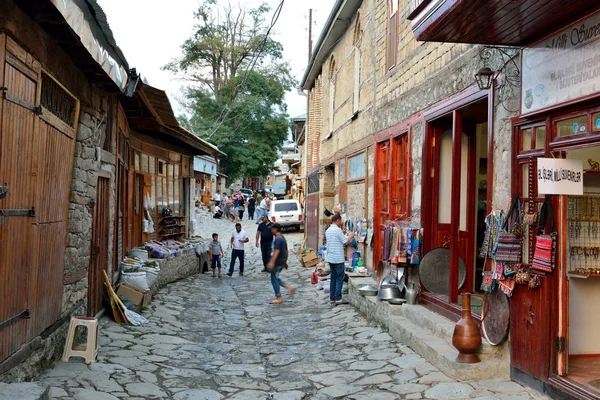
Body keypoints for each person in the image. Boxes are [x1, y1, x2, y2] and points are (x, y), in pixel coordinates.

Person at [325, 214, 355, 305]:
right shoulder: (337, 230)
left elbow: (336, 240)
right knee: (339, 278)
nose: (341, 223)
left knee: (333, 278)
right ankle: (338, 298)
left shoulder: (328, 230)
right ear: (337, 220)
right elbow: (345, 242)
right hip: (338, 258)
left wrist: (342, 233)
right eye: (340, 221)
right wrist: (351, 236)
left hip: (330, 258)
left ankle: (332, 298)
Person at [266, 223, 294, 304]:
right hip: (281, 262)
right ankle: (289, 287)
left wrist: (271, 262)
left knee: (274, 278)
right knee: (275, 278)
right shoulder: (282, 238)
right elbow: (286, 251)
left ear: (275, 229)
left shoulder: (278, 239)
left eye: (272, 229)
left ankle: (279, 297)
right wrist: (285, 262)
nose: (271, 230)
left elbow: (276, 251)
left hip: (277, 262)